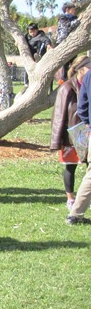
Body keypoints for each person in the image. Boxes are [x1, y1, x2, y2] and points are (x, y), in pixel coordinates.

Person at [51, 56, 91, 210]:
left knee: (88, 167)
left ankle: (85, 198)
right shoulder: (67, 88)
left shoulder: (87, 83)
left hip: (86, 133)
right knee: (71, 166)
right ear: (79, 69)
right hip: (71, 135)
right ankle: (70, 198)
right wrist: (57, 140)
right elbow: (59, 115)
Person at [64, 59, 91, 225]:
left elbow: (82, 106)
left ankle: (75, 214)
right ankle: (75, 214)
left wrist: (88, 124)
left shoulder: (88, 76)